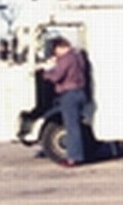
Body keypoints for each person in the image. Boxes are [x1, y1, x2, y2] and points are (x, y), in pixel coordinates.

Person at [40, 37, 88, 167]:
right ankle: (77, 155)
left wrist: (45, 73)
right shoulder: (78, 56)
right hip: (79, 92)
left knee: (71, 127)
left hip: (69, 94)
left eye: (55, 50)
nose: (55, 53)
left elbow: (57, 76)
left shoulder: (67, 58)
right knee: (75, 125)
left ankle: (73, 158)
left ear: (60, 47)